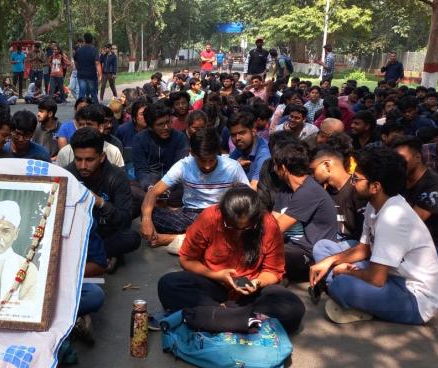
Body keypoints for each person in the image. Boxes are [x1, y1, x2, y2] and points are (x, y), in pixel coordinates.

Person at [309, 147, 438, 325]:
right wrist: (331, 261)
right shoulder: (375, 203)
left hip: (413, 296)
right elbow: (364, 248)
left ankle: (352, 299)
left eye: (356, 179)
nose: (353, 182)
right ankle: (355, 298)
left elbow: (376, 279)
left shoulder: (393, 217)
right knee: (323, 248)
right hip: (389, 274)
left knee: (341, 285)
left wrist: (347, 272)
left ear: (375, 186)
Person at [156, 184, 305, 335]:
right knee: (168, 283)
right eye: (231, 226)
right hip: (214, 284)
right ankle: (243, 319)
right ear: (222, 213)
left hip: (250, 292)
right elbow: (187, 260)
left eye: (246, 228)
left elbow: (273, 271)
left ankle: (214, 317)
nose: (238, 233)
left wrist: (257, 282)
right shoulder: (209, 217)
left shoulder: (269, 224)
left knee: (293, 308)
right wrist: (217, 275)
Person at [141, 128, 248, 247]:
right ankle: (205, 239)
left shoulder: (232, 167)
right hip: (191, 215)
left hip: (221, 215)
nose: (207, 166)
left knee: (240, 223)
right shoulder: (183, 166)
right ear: (192, 153)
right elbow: (153, 192)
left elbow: (249, 198)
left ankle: (175, 239)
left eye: (211, 160)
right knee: (150, 213)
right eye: (202, 161)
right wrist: (146, 220)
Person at [66, 128, 141, 269]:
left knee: (132, 238)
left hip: (105, 232)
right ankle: (103, 258)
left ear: (102, 157)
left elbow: (124, 221)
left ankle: (92, 258)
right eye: (78, 159)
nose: (83, 166)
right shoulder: (67, 175)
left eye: (89, 160)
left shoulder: (117, 176)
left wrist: (100, 202)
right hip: (76, 235)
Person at [271, 140, 338, 282]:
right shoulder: (285, 190)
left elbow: (276, 228)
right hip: (292, 247)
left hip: (311, 253)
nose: (274, 170)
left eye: (275, 166)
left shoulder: (309, 191)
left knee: (268, 253)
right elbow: (272, 221)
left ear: (282, 168)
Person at [393, 137, 438, 272]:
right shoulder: (401, 180)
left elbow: (411, 222)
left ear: (418, 157)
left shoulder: (437, 185)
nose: (397, 163)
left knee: (393, 267)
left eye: (401, 158)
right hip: (410, 244)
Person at [132, 101, 190, 200]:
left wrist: (165, 188)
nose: (166, 127)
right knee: (130, 188)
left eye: (168, 122)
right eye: (160, 124)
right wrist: (149, 187)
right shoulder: (139, 139)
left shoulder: (180, 138)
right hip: (149, 184)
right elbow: (141, 170)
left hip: (174, 184)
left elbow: (179, 169)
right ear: (150, 126)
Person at [309, 144, 365, 245]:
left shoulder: (357, 188)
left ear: (327, 165)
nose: (312, 176)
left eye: (313, 170)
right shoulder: (323, 192)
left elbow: (363, 234)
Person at [55, 104, 125, 168]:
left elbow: (119, 178)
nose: (84, 128)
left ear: (100, 127)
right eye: (81, 125)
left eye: (89, 124)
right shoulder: (65, 153)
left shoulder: (113, 152)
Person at [229, 111, 272, 190]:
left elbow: (254, 188)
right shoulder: (242, 146)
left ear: (253, 131)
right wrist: (235, 166)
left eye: (242, 133)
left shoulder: (264, 155)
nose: (237, 138)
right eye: (233, 135)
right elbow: (227, 167)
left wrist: (235, 167)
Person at [73, 32, 101, 103]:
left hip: (81, 75)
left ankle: (80, 109)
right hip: (91, 75)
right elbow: (97, 63)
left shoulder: (78, 50)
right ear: (92, 40)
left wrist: (79, 69)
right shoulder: (94, 50)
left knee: (82, 93)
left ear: (84, 40)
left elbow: (76, 62)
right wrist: (100, 75)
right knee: (93, 93)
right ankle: (95, 110)